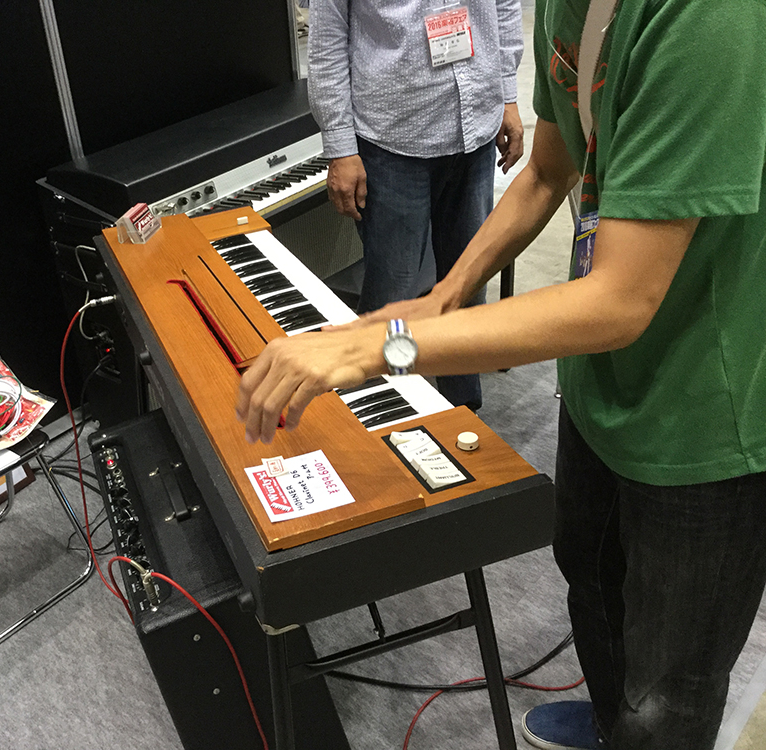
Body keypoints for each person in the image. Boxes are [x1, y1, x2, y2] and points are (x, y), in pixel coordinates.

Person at [237, 0, 766, 747]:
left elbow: (621, 300)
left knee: (668, 690)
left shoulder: (711, 16)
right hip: (603, 379)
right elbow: (550, 169)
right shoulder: (570, 7)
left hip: (707, 411)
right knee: (591, 573)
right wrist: (444, 295)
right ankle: (611, 724)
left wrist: (383, 346)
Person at [308, 0, 525, 412]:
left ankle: (462, 411)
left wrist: (507, 94)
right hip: (392, 137)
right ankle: (383, 414)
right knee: (394, 297)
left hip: (475, 125)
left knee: (467, 283)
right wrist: (340, 146)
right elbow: (327, 39)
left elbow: (503, 5)